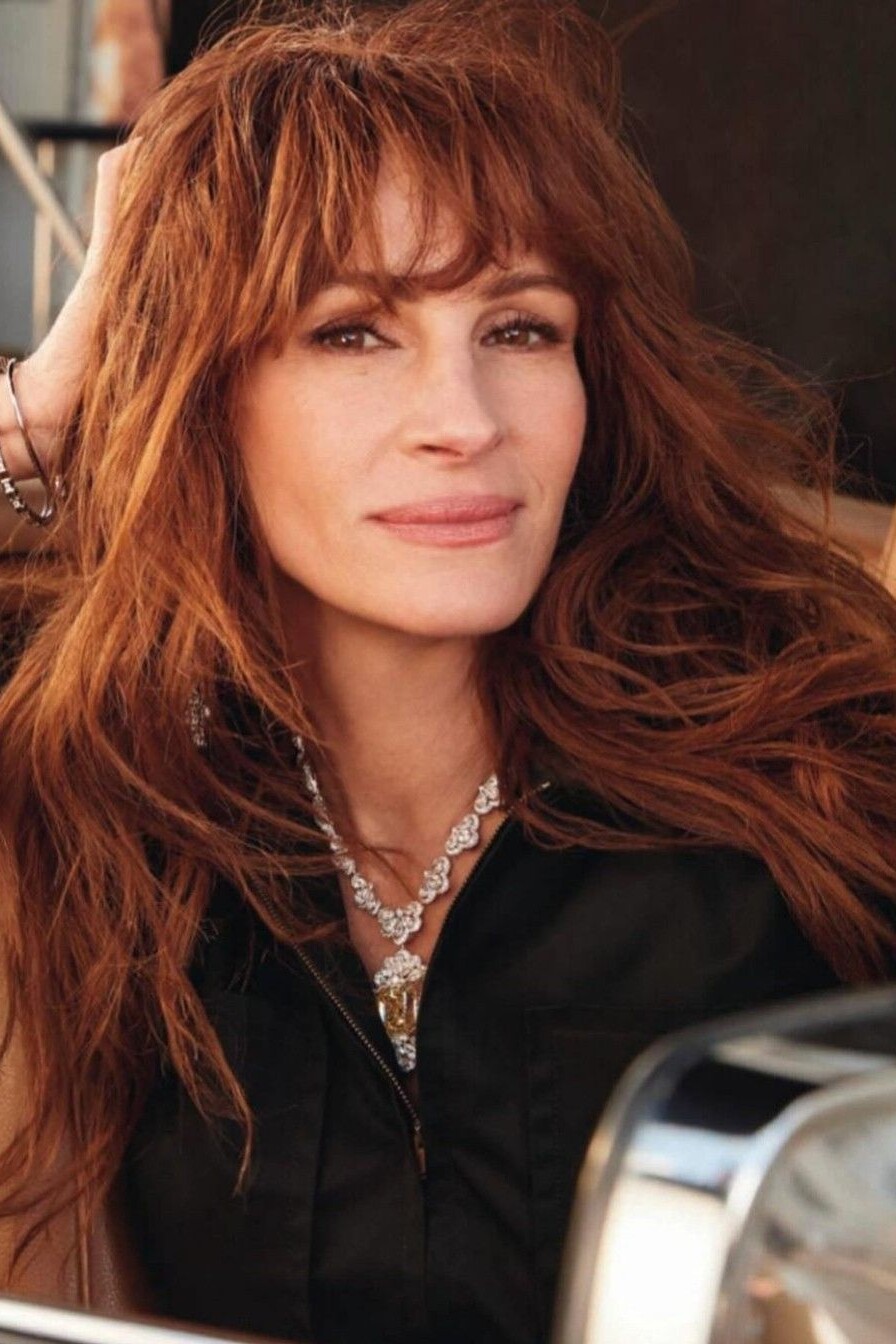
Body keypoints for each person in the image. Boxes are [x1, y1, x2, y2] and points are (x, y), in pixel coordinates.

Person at [1, 1, 895, 1341]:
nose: (463, 422)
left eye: (521, 330)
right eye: (351, 332)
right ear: (203, 389)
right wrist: (49, 401)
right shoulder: (107, 801)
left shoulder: (819, 779)